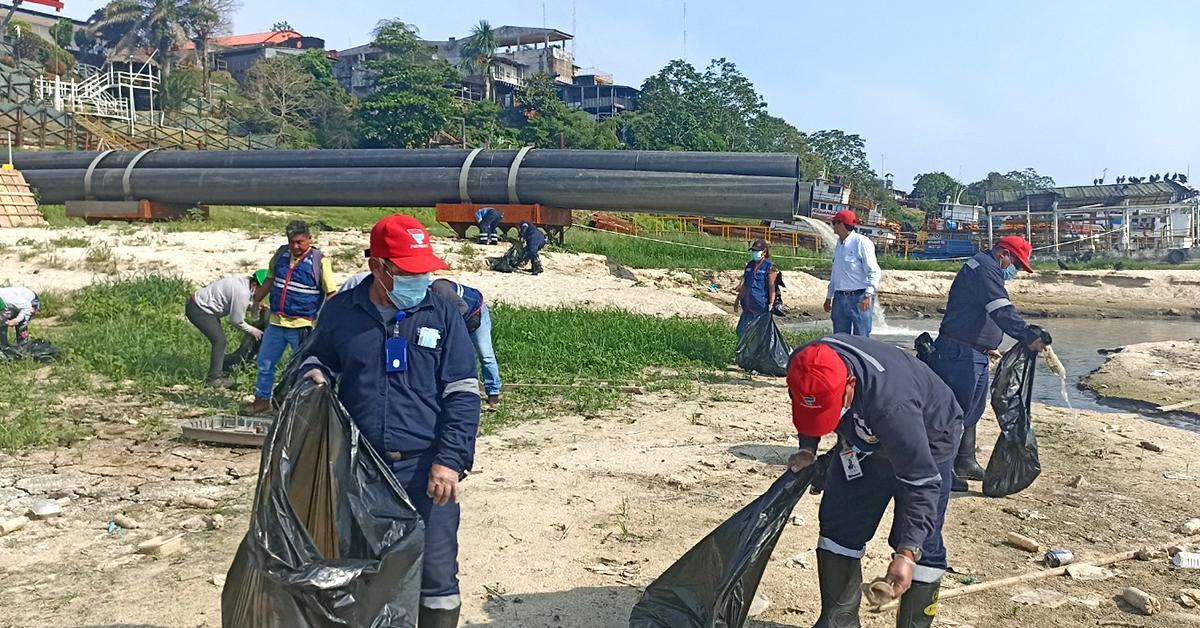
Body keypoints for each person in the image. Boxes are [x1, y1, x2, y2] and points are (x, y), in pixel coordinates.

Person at [299, 214, 480, 628]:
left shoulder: (443, 313)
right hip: (361, 472)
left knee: (437, 576)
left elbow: (463, 393)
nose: (420, 279)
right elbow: (312, 357)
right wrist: (313, 371)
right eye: (408, 271)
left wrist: (450, 460)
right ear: (377, 266)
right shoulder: (342, 312)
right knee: (366, 572)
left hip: (425, 472)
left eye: (424, 270)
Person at [786, 335, 963, 628]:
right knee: (840, 520)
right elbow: (808, 404)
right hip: (862, 437)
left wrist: (906, 553)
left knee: (923, 539)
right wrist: (808, 449)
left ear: (850, 386)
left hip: (930, 435)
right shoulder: (804, 364)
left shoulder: (894, 406)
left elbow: (921, 481)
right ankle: (838, 619)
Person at [924, 235, 1051, 493]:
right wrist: (1027, 334)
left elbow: (984, 311)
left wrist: (989, 344)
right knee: (953, 414)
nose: (1014, 269)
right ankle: (943, 471)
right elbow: (1000, 309)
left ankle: (965, 462)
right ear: (1003, 253)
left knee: (972, 411)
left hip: (974, 351)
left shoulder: (984, 267)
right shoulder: (984, 269)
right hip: (959, 354)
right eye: (1015, 262)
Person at [339, 273, 503, 408]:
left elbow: (461, 309)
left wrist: (447, 330)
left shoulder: (441, 288)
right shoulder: (419, 299)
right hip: (460, 319)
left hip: (476, 314)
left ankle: (493, 393)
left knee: (485, 354)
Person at [245, 220, 336, 414]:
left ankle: (300, 406)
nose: (295, 246)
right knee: (265, 362)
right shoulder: (280, 255)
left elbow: (331, 294)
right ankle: (262, 400)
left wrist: (329, 322)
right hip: (276, 322)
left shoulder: (320, 261)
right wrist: (256, 301)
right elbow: (270, 279)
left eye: (300, 242)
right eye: (291, 242)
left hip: (302, 325)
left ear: (309, 239)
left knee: (302, 367)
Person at [187, 270, 268, 388]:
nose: (265, 295)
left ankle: (221, 367)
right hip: (200, 310)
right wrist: (253, 331)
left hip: (201, 306)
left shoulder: (242, 284)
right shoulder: (242, 292)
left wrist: (251, 306)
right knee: (219, 341)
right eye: (265, 291)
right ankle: (214, 380)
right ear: (255, 285)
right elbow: (236, 321)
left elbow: (236, 302)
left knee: (219, 341)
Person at [824, 210, 881, 337]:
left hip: (859, 297)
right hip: (839, 297)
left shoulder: (861, 242)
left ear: (841, 224)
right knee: (840, 339)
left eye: (834, 223)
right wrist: (829, 297)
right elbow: (836, 273)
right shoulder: (839, 244)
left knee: (861, 338)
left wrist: (868, 295)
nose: (832, 226)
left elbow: (874, 270)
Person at [733, 238, 778, 338]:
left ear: (764, 252)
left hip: (760, 307)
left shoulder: (770, 267)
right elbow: (745, 285)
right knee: (741, 332)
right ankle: (745, 353)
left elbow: (772, 288)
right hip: (748, 306)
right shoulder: (750, 265)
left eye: (756, 251)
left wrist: (771, 303)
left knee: (759, 336)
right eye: (753, 251)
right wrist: (738, 299)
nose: (754, 253)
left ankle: (758, 353)